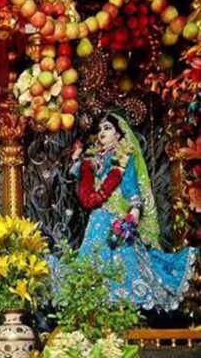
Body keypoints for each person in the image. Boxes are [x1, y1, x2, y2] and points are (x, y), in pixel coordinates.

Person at [70, 114, 196, 310]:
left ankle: (125, 306)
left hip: (116, 217)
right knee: (92, 258)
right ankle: (95, 305)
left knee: (123, 259)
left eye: (108, 128)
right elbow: (82, 181)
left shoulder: (124, 157)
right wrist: (76, 158)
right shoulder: (93, 159)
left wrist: (135, 210)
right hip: (97, 217)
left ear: (119, 135)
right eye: (100, 129)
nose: (102, 132)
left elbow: (131, 187)